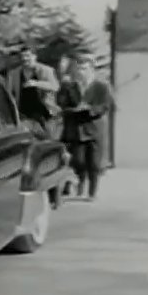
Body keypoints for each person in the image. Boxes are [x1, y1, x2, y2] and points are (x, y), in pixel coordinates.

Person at [57, 54, 114, 201]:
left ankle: (92, 192)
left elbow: (106, 105)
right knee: (79, 161)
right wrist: (65, 92)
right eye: (80, 68)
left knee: (94, 163)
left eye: (85, 68)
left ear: (92, 70)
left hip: (94, 129)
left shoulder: (101, 86)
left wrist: (91, 109)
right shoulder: (70, 86)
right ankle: (80, 184)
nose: (82, 72)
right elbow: (62, 104)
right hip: (77, 129)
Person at [8, 46, 61, 140]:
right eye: (22, 56)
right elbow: (9, 93)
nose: (25, 59)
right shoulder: (14, 74)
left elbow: (55, 86)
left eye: (28, 56)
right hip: (25, 115)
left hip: (45, 113)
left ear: (35, 56)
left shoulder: (46, 70)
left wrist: (36, 83)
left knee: (50, 140)